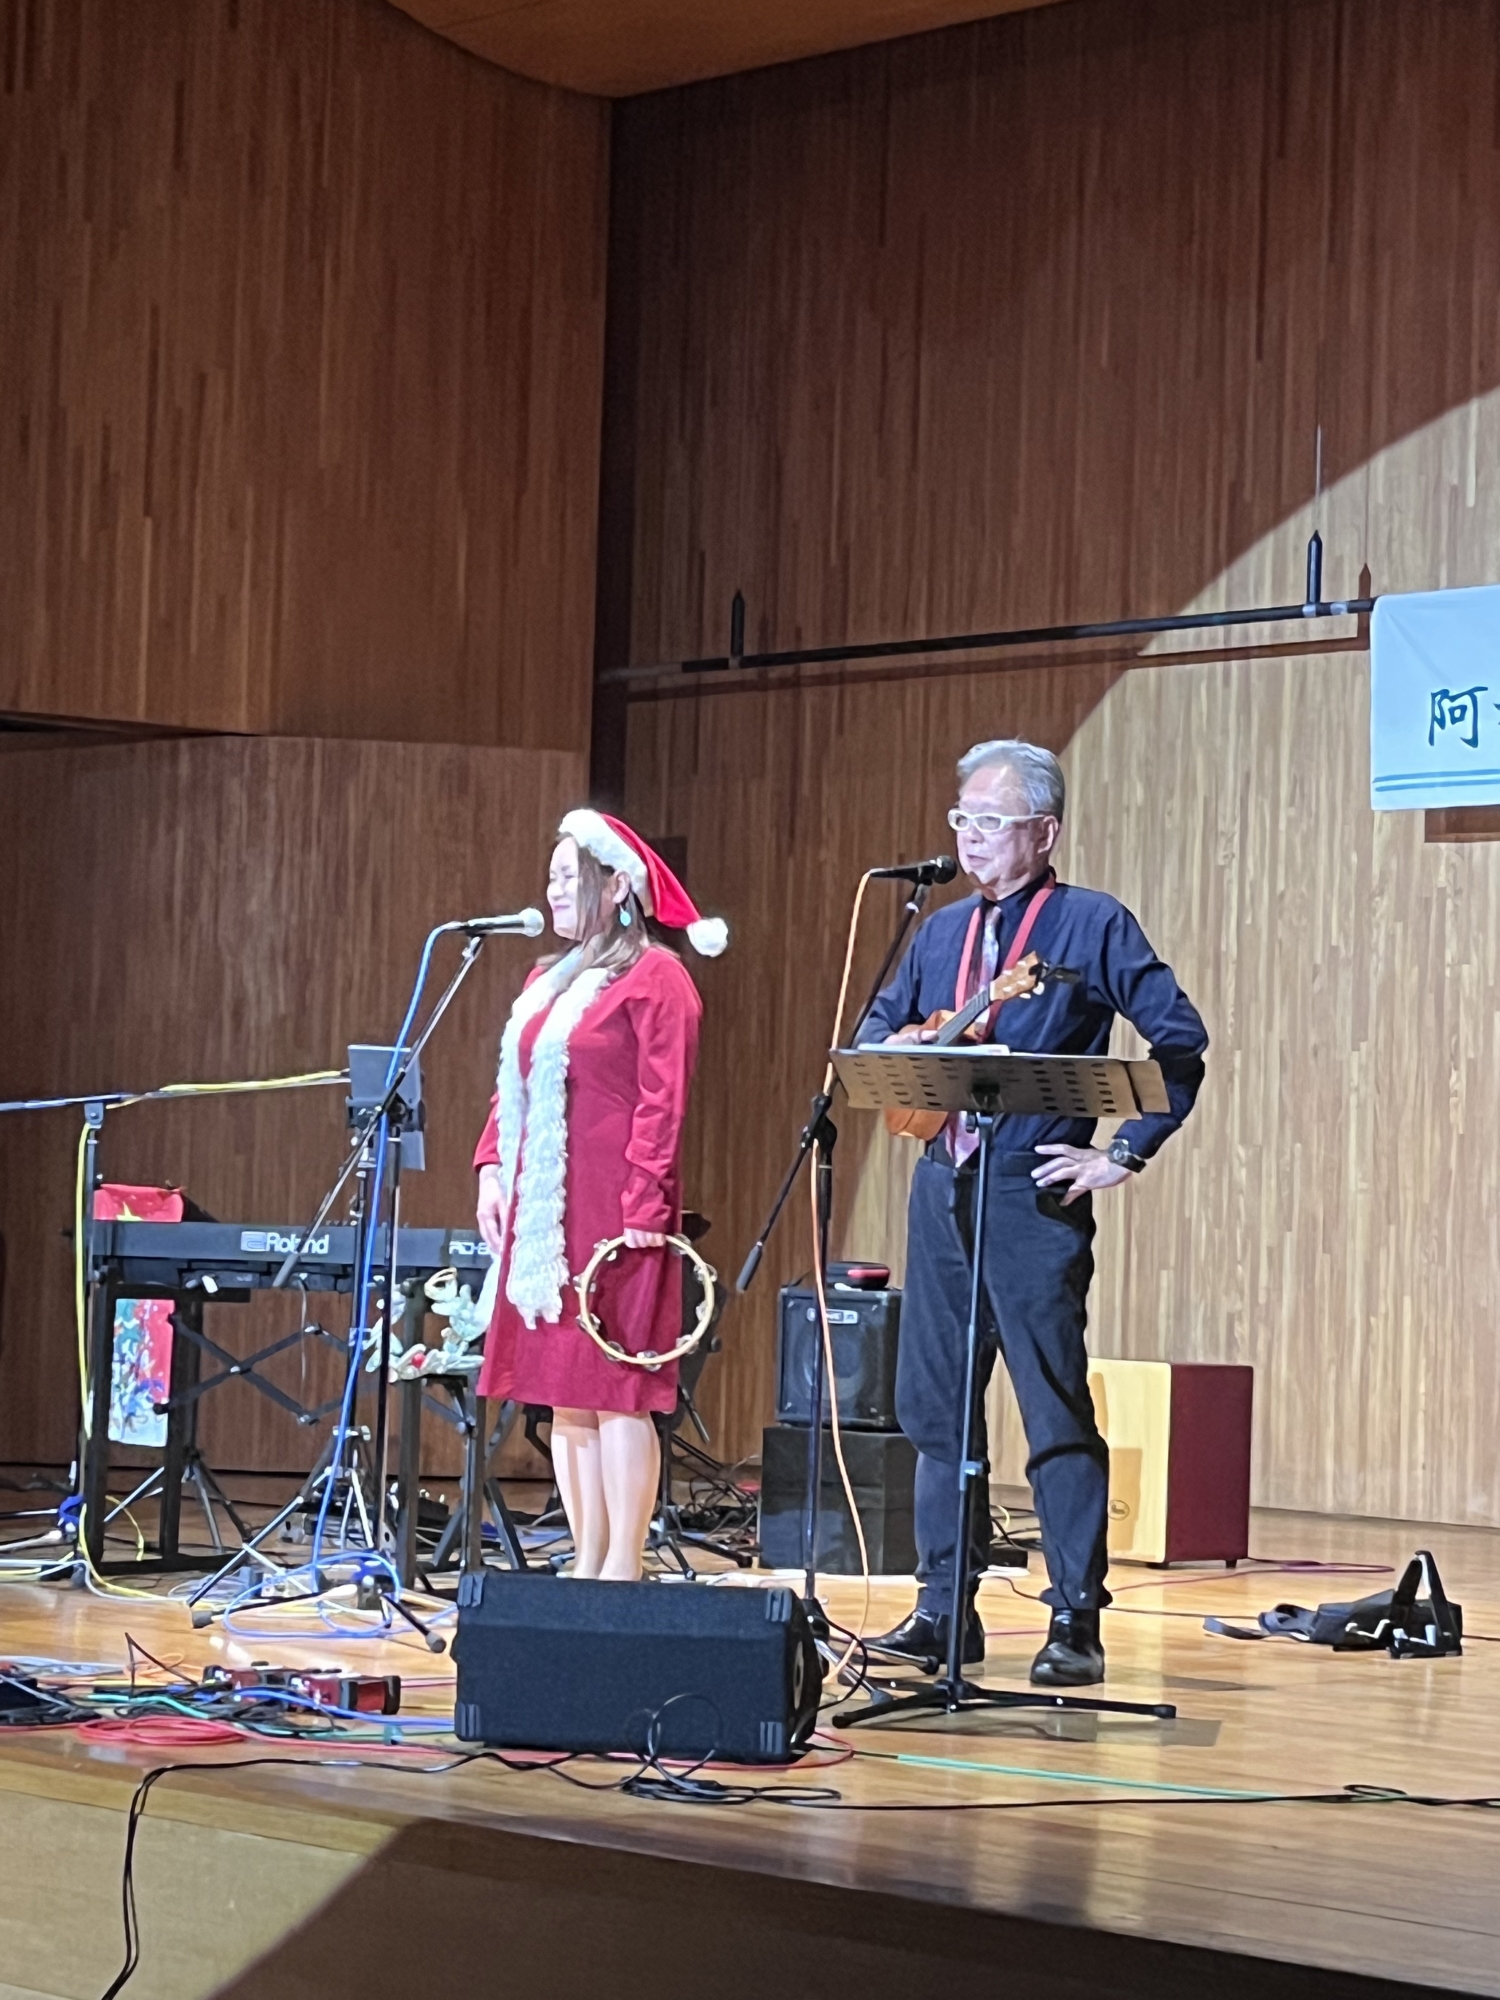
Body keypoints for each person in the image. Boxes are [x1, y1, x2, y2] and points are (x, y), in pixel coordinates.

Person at [859, 740, 1207, 1686]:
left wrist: (1122, 1152)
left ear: (1044, 832)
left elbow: (1180, 1042)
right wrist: (908, 1044)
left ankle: (1075, 1617)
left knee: (1051, 1403)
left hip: (1033, 1189)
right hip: (943, 1187)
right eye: (962, 818)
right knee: (934, 1405)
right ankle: (943, 1607)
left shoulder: (1091, 923)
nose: (971, 837)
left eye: (993, 820)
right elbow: (873, 1037)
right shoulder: (940, 932)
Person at [473, 810, 727, 1582]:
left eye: (567, 876)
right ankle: (585, 1564)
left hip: (616, 1211)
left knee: (619, 1389)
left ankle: (623, 1565)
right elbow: (511, 1089)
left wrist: (646, 1207)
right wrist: (491, 1168)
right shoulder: (546, 981)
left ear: (616, 885)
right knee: (564, 1393)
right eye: (549, 876)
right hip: (545, 1214)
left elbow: (663, 1101)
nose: (552, 889)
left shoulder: (658, 978)